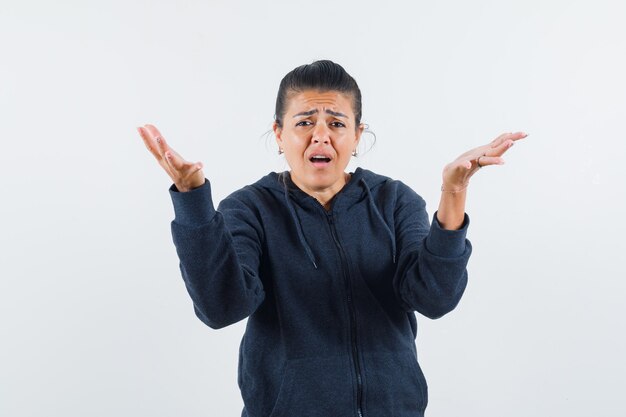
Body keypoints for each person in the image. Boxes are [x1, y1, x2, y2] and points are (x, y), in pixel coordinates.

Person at [137, 60, 526, 417]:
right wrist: (193, 200)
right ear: (279, 134)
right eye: (304, 122)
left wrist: (453, 193)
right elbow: (222, 307)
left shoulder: (394, 201)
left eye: (337, 124)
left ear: (357, 136)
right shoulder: (249, 208)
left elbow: (434, 298)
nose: (320, 136)